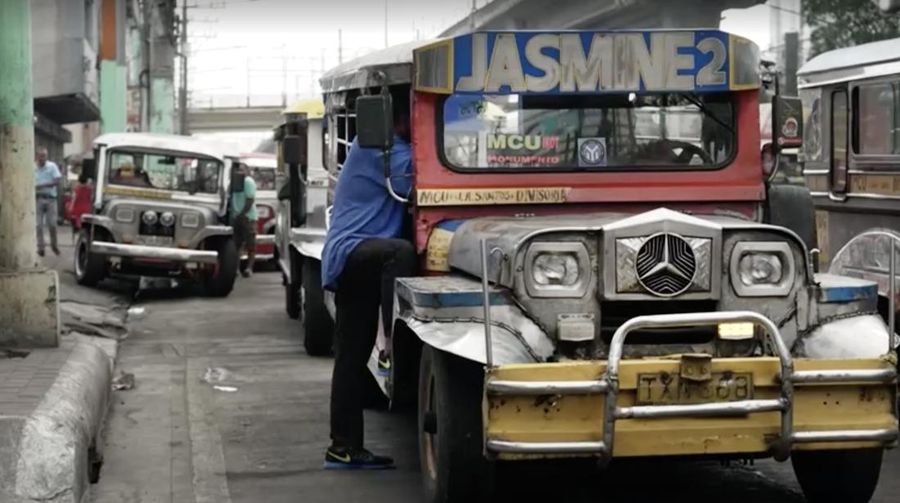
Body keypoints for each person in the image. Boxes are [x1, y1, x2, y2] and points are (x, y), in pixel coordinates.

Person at [321, 90, 416, 470]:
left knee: (351, 358)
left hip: (353, 260)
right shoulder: (382, 149)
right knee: (401, 253)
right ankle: (395, 345)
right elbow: (421, 182)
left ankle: (343, 447)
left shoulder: (392, 148)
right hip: (353, 253)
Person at [230, 162, 257, 278]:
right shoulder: (233, 181)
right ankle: (236, 269)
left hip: (248, 217)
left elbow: (250, 199)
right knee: (236, 245)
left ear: (247, 171)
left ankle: (249, 268)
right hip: (236, 216)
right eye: (238, 170)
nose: (239, 172)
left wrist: (242, 214)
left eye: (242, 169)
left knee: (250, 244)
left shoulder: (248, 181)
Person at [34, 147, 62, 257]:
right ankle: (41, 248)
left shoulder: (52, 166)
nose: (43, 158)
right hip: (38, 199)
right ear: (37, 156)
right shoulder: (33, 167)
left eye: (44, 156)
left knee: (52, 224)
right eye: (41, 156)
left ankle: (54, 245)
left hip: (51, 199)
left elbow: (57, 181)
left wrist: (41, 185)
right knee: (38, 225)